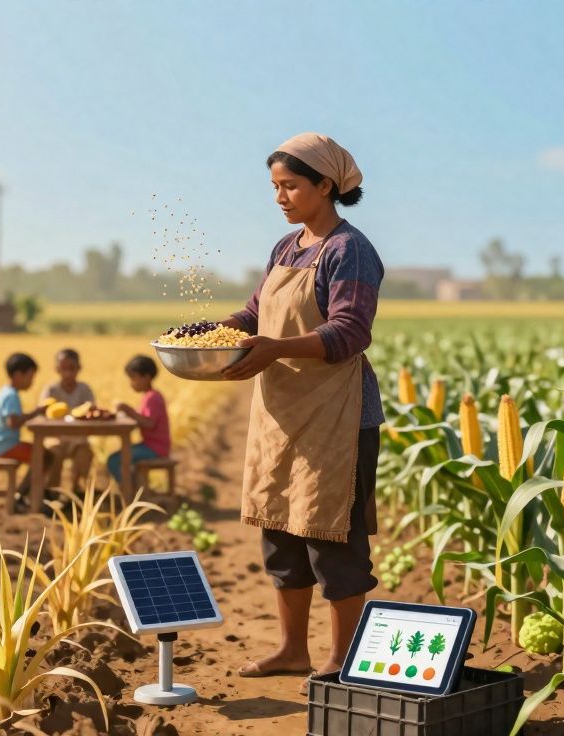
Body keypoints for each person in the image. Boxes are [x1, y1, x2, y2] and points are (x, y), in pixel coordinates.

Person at [219, 132, 384, 689]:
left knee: (331, 538)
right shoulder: (286, 248)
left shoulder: (348, 249)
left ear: (325, 185)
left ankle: (343, 659)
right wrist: (212, 334)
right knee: (280, 534)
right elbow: (253, 312)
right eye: (274, 187)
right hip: (283, 414)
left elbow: (349, 332)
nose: (280, 197)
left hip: (338, 417)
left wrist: (274, 348)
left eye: (289, 186)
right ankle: (292, 649)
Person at [0, 352, 53, 504]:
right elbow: (13, 422)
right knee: (44, 457)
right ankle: (22, 494)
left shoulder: (6, 391)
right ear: (18, 375)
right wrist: (34, 413)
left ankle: (23, 492)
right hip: (5, 446)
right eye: (30, 377)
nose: (31, 382)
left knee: (43, 455)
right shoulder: (11, 396)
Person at [40, 348, 96, 493]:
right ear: (57, 369)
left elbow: (91, 411)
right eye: (64, 369)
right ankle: (52, 492)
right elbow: (42, 414)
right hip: (55, 439)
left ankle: (77, 490)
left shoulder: (85, 390)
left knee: (85, 454)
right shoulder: (50, 390)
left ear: (79, 369)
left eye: (71, 369)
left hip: (79, 440)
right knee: (52, 455)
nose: (67, 373)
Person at [109, 355, 170, 483]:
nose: (131, 383)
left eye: (133, 378)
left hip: (155, 448)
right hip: (151, 445)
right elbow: (142, 418)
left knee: (114, 461)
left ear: (146, 377)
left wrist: (128, 410)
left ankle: (130, 491)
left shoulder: (153, 397)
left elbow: (149, 423)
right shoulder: (149, 396)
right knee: (119, 457)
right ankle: (136, 487)